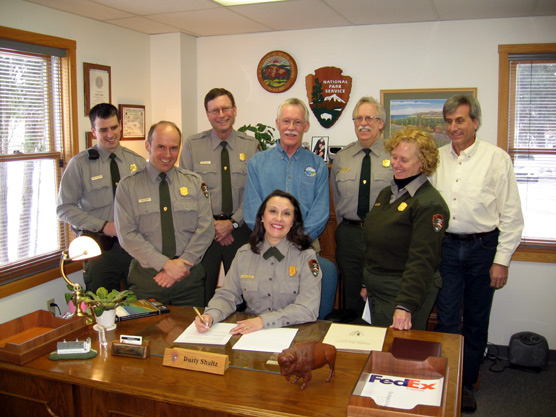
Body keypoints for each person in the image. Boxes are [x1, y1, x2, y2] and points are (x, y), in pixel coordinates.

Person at [430, 95, 523, 413]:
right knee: (446, 319)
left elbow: (512, 216)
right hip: (446, 247)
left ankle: (465, 383)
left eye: (460, 120)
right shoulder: (437, 159)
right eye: (449, 121)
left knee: (476, 320)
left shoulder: (497, 159)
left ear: (475, 123)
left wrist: (502, 260)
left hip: (484, 248)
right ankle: (443, 379)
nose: (453, 127)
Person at [243, 98, 337, 320]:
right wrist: (274, 240)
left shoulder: (317, 166)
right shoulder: (257, 163)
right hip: (265, 246)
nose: (291, 127)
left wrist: (295, 241)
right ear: (277, 123)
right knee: (266, 306)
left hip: (305, 245)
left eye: (297, 122)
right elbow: (252, 209)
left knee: (305, 307)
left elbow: (321, 212)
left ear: (306, 126)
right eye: (286, 121)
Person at [114, 121, 214, 306]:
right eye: (161, 147)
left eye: (173, 148)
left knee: (191, 334)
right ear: (148, 146)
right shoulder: (128, 187)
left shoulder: (194, 183)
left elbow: (206, 229)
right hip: (147, 280)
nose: (168, 155)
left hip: (189, 279)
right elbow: (127, 235)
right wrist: (166, 265)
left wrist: (181, 266)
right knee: (148, 333)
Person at [194, 190, 321, 334]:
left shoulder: (306, 256)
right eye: (273, 211)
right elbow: (227, 295)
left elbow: (308, 308)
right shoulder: (244, 254)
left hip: (293, 333)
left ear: (293, 222)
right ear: (262, 217)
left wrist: (263, 321)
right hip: (252, 333)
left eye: (286, 213)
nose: (278, 218)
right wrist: (211, 315)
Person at [361, 127, 449, 331]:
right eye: (394, 157)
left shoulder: (429, 204)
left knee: (398, 355)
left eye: (404, 160)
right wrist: (367, 282)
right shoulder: (387, 193)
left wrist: (405, 306)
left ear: (423, 162)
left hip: (403, 291)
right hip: (378, 289)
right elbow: (374, 241)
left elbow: (422, 261)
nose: (396, 164)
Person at [57, 103, 146, 292]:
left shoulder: (137, 162)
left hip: (135, 247)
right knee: (101, 307)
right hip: (100, 250)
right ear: (93, 131)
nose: (110, 134)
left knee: (142, 303)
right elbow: (64, 209)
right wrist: (103, 225)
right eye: (103, 130)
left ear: (120, 124)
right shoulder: (79, 164)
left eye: (114, 127)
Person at [180, 88, 259, 304]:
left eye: (225, 108)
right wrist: (214, 225)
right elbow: (186, 192)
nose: (221, 114)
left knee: (243, 295)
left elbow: (255, 194)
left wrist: (231, 223)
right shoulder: (192, 146)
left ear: (234, 110)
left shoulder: (251, 146)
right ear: (207, 114)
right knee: (202, 293)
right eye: (214, 110)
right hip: (205, 232)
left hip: (241, 231)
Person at [331, 97, 392, 318]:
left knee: (382, 292)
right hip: (350, 235)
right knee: (352, 295)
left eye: (370, 118)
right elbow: (338, 199)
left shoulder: (395, 155)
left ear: (381, 123)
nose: (363, 123)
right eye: (358, 118)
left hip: (385, 237)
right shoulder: (342, 157)